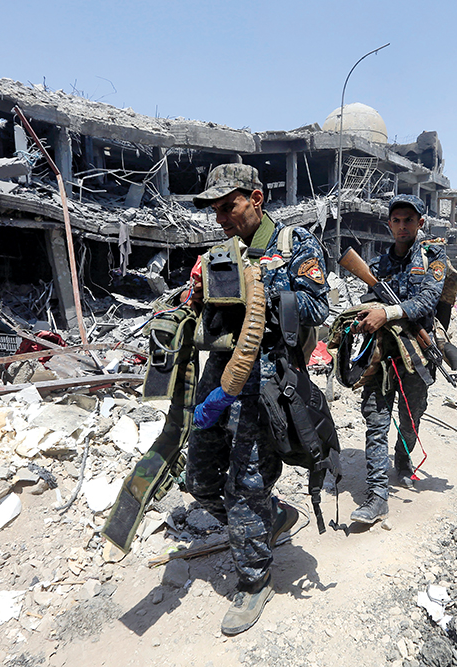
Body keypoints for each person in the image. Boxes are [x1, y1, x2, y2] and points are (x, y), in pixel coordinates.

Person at [186, 164, 330, 635]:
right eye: (215, 209)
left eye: (229, 206)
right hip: (218, 381)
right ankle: (272, 517)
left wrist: (263, 288)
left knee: (245, 485)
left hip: (266, 386)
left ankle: (254, 578)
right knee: (200, 478)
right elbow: (200, 307)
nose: (221, 217)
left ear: (257, 198)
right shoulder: (218, 253)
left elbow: (316, 306)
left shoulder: (295, 244)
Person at [349, 194, 445, 524]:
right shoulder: (376, 266)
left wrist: (387, 311)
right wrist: (363, 315)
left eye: (409, 220)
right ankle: (377, 496)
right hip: (383, 354)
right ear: (389, 224)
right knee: (375, 420)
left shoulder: (434, 257)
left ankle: (403, 460)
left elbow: (428, 301)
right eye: (396, 220)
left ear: (420, 223)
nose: (402, 226)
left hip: (417, 355)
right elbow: (365, 302)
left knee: (410, 417)